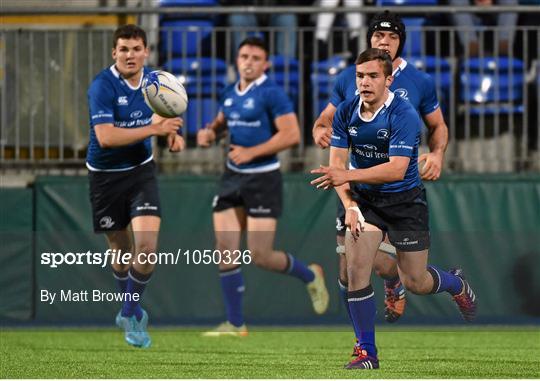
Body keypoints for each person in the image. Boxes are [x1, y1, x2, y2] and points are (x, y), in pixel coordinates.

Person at [311, 48, 478, 369]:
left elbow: (396, 169)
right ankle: (367, 353)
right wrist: (349, 205)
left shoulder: (403, 113)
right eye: (360, 76)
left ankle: (456, 283)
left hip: (404, 201)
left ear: (388, 79)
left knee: (415, 281)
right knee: (355, 269)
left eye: (373, 76)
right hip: (365, 200)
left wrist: (347, 175)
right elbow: (335, 166)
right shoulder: (346, 111)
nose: (365, 82)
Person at [312, 10, 449, 324]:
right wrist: (320, 128)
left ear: (401, 42)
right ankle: (362, 346)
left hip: (398, 189)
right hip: (359, 190)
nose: (384, 41)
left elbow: (438, 126)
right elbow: (326, 118)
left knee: (395, 269)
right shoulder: (350, 76)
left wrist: (438, 154)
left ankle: (399, 284)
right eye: (377, 35)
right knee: (349, 270)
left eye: (392, 36)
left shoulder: (420, 82)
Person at [197, 36, 329, 336]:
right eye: (244, 56)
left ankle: (310, 274)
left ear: (265, 63)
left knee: (260, 255)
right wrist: (208, 133)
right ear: (236, 59)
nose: (249, 62)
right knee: (225, 249)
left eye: (256, 58)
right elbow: (221, 123)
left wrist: (251, 153)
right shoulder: (230, 91)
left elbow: (292, 135)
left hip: (263, 178)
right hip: (232, 177)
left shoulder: (272, 93)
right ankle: (235, 323)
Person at [86, 24, 184, 348]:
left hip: (141, 172)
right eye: (124, 49)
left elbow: (166, 115)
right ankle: (130, 308)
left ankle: (130, 313)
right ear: (114, 52)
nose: (130, 55)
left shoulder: (156, 82)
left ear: (146, 52)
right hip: (104, 177)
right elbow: (106, 137)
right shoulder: (102, 86)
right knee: (120, 252)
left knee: (146, 250)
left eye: (136, 48)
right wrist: (155, 129)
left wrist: (172, 135)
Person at [221, 0, 303, 58]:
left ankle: (285, 69)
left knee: (287, 19)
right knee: (237, 19)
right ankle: (241, 67)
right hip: (246, 9)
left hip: (278, 9)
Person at [450, 0, 518, 56]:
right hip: (467, 7)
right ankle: (471, 46)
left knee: (510, 1)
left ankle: (504, 46)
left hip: (494, 6)